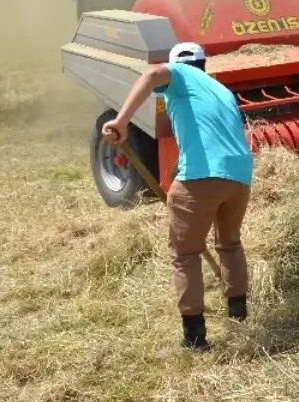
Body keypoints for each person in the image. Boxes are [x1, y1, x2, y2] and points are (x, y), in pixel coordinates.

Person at [101, 41, 254, 351]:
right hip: (239, 177)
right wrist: (174, 176)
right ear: (204, 64)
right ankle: (239, 317)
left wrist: (121, 121)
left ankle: (194, 339)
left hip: (202, 178)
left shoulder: (178, 74)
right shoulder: (219, 90)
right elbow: (207, 140)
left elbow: (152, 74)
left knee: (185, 255)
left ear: (179, 65)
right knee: (230, 243)